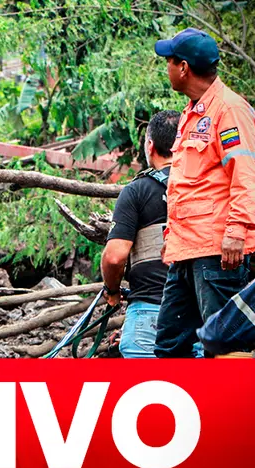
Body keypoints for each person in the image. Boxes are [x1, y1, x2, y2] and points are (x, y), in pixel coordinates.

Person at [151, 28, 255, 358]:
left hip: (217, 251)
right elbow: (190, 184)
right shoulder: (193, 112)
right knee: (169, 346)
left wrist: (237, 231)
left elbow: (246, 174)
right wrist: (172, 239)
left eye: (169, 61)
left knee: (222, 344)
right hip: (186, 250)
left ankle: (237, 393)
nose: (167, 67)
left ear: (183, 67)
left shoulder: (229, 110)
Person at [101, 111, 180, 357]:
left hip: (150, 311)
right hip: (200, 314)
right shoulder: (206, 188)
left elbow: (114, 257)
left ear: (150, 146)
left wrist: (112, 291)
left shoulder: (137, 191)